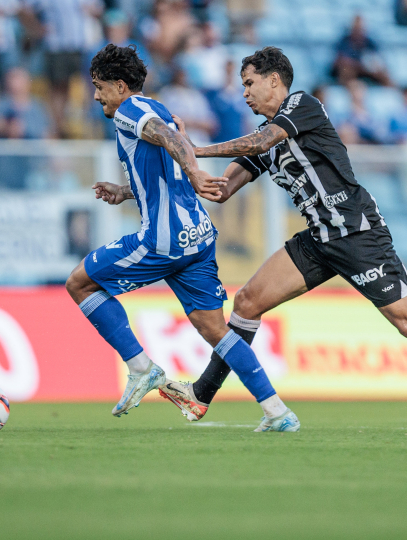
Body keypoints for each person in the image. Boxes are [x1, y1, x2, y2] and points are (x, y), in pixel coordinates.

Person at [160, 47, 407, 430]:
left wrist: (194, 148)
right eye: (242, 86)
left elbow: (260, 144)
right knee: (248, 302)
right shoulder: (263, 139)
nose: (245, 93)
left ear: (274, 81)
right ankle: (201, 395)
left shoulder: (303, 105)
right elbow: (219, 190)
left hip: (357, 234)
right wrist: (165, 176)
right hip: (319, 239)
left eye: (250, 83)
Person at [64, 43, 300, 432]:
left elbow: (170, 144)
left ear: (121, 86)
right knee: (215, 330)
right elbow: (165, 163)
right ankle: (277, 412)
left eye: (99, 86)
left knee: (80, 283)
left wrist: (193, 172)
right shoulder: (158, 108)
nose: (95, 95)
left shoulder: (131, 111)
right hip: (198, 236)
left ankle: (141, 368)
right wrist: (125, 191)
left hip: (164, 240)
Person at [22, 0, 103, 135]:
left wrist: (92, 11)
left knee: (86, 84)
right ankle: (57, 126)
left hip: (80, 44)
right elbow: (24, 7)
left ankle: (84, 125)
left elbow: (98, 9)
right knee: (58, 87)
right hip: (56, 44)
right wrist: (36, 28)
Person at [159, 68, 218, 145]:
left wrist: (192, 123)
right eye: (180, 75)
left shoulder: (196, 95)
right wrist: (196, 123)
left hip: (201, 141)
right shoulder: (168, 93)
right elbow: (171, 119)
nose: (183, 78)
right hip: (178, 142)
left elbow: (211, 124)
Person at [0, 67, 51, 140]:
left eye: (20, 80)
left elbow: (48, 133)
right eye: (13, 79)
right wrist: (6, 128)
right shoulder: (2, 105)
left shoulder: (38, 106)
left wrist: (26, 129)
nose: (16, 84)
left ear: (28, 83)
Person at [331, 14, 393, 86]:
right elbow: (340, 61)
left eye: (361, 29)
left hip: (367, 71)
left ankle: (393, 93)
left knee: (384, 73)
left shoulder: (370, 42)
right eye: (356, 29)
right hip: (353, 71)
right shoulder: (344, 41)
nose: (359, 32)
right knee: (346, 71)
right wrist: (361, 65)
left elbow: (378, 59)